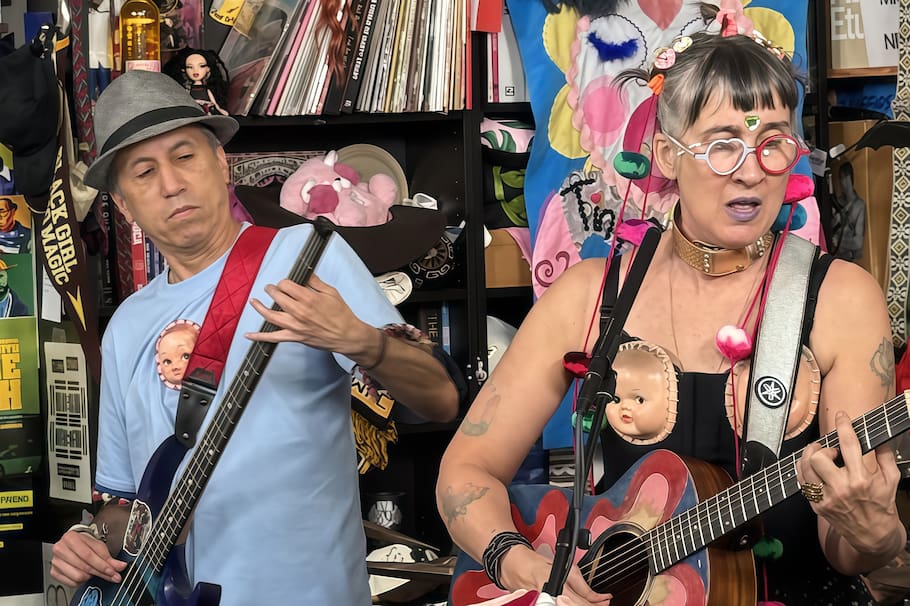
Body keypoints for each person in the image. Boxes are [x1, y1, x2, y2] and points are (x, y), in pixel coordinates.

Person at [436, 23, 907, 606]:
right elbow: (465, 471)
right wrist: (520, 562)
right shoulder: (591, 294)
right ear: (666, 153)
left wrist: (872, 533)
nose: (752, 170)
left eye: (774, 142)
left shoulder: (839, 297)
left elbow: (844, 545)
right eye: (722, 143)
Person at [49, 70, 459, 605]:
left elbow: (442, 399)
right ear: (123, 205)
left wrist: (364, 341)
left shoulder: (306, 257)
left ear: (222, 163)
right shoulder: (126, 325)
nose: (171, 183)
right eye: (144, 172)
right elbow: (124, 505)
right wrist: (89, 541)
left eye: (185, 156)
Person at [163, 47, 230, 116]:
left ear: (208, 69)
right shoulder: (188, 89)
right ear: (184, 70)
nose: (195, 70)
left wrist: (218, 109)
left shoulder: (206, 89)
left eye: (201, 66)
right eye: (190, 67)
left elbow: (214, 102)